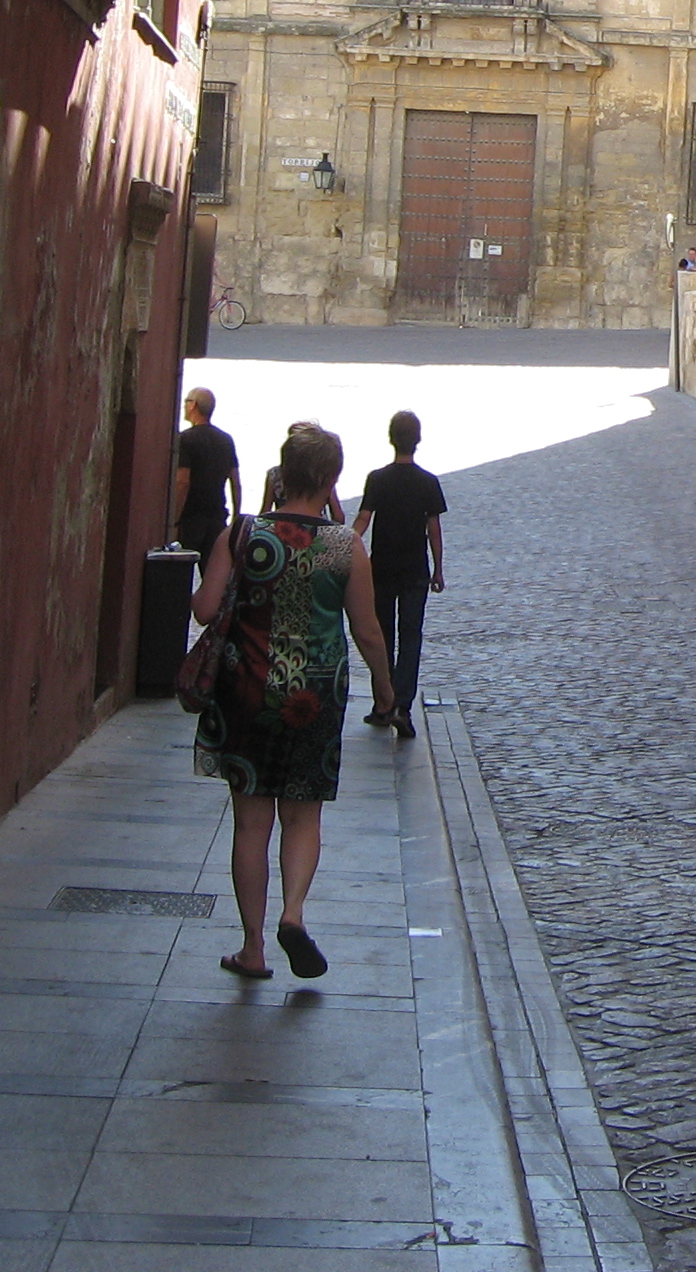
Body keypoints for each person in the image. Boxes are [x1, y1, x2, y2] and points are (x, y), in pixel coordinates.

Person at [190, 423, 395, 981]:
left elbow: (205, 610)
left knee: (250, 824)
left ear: (282, 472)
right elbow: (367, 630)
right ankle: (294, 914)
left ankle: (252, 948)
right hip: (316, 695)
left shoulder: (243, 534)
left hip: (248, 691)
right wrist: (385, 690)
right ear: (331, 479)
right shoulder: (345, 547)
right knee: (303, 815)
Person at [353, 410, 445, 741]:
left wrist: (346, 545)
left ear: (391, 438)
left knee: (382, 637)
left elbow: (363, 519)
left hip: (382, 569)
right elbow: (433, 528)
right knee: (411, 637)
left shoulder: (377, 479)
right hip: (415, 569)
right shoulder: (428, 482)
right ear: (417, 440)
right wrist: (438, 568)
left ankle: (383, 703)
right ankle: (402, 707)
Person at [171, 388, 242, 563]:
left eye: (186, 401)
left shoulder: (185, 440)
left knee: (184, 571)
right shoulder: (226, 440)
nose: (184, 406)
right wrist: (236, 518)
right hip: (217, 519)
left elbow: (182, 482)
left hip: (190, 520)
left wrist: (174, 521)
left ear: (193, 405)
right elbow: (235, 483)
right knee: (212, 572)